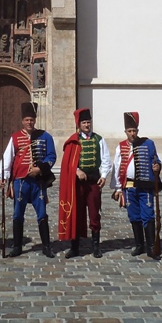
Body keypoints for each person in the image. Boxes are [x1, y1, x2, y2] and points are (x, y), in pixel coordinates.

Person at [0, 102, 57, 258]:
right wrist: (3, 178)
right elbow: (8, 159)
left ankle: (46, 246)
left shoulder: (45, 136)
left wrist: (40, 169)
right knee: (18, 214)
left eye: (31, 119)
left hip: (38, 182)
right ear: (22, 121)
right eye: (26, 120)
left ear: (35, 120)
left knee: (42, 213)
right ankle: (17, 247)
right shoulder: (15, 137)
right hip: (20, 181)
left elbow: (51, 156)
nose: (29, 122)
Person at [58, 107, 111, 258]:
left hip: (94, 182)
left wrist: (104, 176)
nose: (87, 125)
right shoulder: (74, 141)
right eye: (84, 123)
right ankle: (75, 247)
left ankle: (96, 247)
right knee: (76, 213)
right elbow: (67, 162)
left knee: (94, 213)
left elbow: (106, 159)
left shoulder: (99, 139)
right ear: (79, 124)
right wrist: (76, 170)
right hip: (78, 184)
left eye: (89, 122)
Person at [110, 112, 162, 260]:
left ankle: (151, 247)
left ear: (137, 131)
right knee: (134, 216)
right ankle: (139, 245)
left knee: (148, 215)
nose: (132, 133)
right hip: (129, 186)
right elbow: (117, 166)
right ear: (125, 132)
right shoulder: (121, 147)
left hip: (145, 186)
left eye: (134, 131)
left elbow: (156, 160)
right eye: (129, 131)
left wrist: (157, 166)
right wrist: (118, 188)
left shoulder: (148, 143)